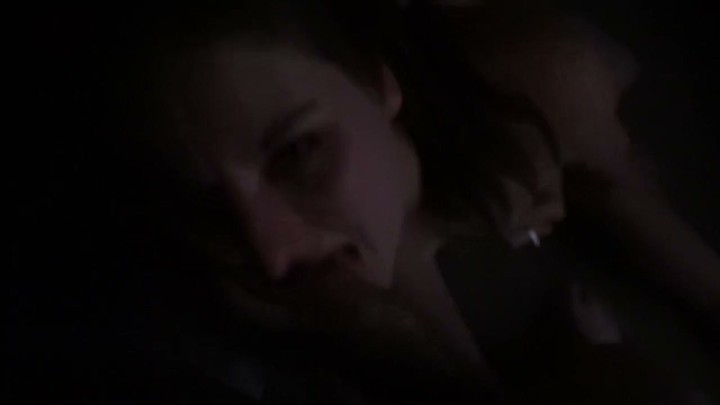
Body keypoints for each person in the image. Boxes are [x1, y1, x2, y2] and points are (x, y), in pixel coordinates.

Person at [80, 0, 718, 403]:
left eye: (299, 151)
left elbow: (637, 209)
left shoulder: (541, 84)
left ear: (381, 85)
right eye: (208, 199)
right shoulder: (235, 276)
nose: (273, 256)